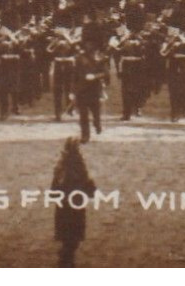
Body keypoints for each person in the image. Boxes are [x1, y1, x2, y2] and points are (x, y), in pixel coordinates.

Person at [51, 138, 94, 267]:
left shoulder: (60, 167)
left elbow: (54, 189)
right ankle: (67, 257)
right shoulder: (79, 166)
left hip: (63, 206)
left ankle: (65, 256)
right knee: (74, 236)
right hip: (76, 206)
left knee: (67, 235)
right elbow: (88, 184)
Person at [74, 42, 107, 141]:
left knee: (96, 112)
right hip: (82, 89)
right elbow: (75, 75)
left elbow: (105, 73)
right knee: (83, 114)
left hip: (95, 89)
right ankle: (85, 135)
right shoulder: (79, 59)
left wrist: (95, 76)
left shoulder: (100, 58)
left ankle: (97, 124)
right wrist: (73, 91)